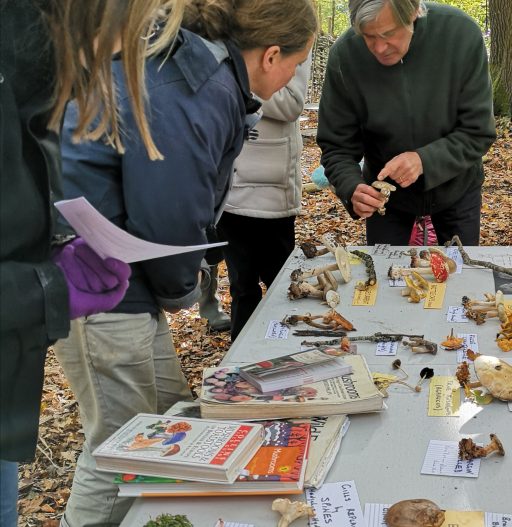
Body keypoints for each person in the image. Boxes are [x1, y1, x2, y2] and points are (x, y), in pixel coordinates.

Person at [54, 1, 318, 525]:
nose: (293, 80)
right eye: (296, 65)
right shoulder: (202, 86)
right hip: (95, 280)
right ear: (270, 56)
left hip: (118, 279)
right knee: (120, 449)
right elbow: (170, 210)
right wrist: (180, 289)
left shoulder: (202, 69)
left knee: (172, 416)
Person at [0, 1, 187, 525]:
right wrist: (44, 286)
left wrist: (51, 249)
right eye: (141, 19)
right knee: (115, 444)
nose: (130, 42)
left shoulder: (35, 71)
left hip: (7, 386)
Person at [317, 0, 496, 246]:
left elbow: (478, 131)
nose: (379, 48)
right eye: (368, 36)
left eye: (388, 34)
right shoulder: (345, 55)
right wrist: (351, 187)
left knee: (460, 276)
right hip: (386, 198)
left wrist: (424, 160)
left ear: (413, 13)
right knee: (384, 279)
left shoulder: (460, 35)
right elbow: (336, 145)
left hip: (456, 187)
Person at [217, 57, 312, 340]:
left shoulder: (292, 38)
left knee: (281, 286)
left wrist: (235, 84)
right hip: (230, 189)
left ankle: (285, 354)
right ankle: (240, 362)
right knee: (242, 287)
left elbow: (290, 104)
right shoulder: (222, 36)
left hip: (272, 193)